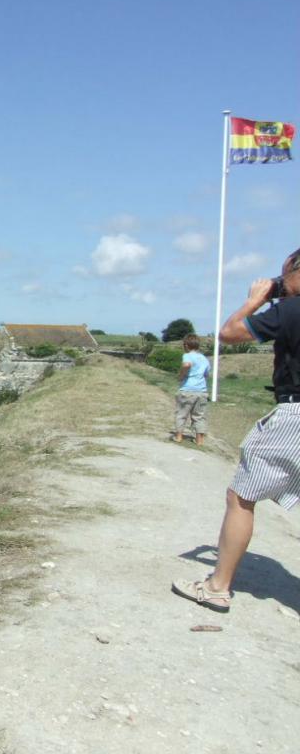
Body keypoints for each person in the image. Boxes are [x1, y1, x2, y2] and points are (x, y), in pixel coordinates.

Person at [173, 249, 300, 613]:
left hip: (295, 414)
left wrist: (255, 301)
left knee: (241, 497)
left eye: (282, 277)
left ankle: (216, 586)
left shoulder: (290, 309)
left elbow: (229, 334)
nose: (279, 285)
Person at [173, 334, 210, 445]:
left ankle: (179, 436)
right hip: (201, 391)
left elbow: (186, 365)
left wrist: (181, 375)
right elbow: (206, 374)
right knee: (199, 416)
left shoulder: (187, 356)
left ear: (186, 345)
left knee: (181, 414)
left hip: (187, 389)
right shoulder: (204, 359)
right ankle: (199, 440)